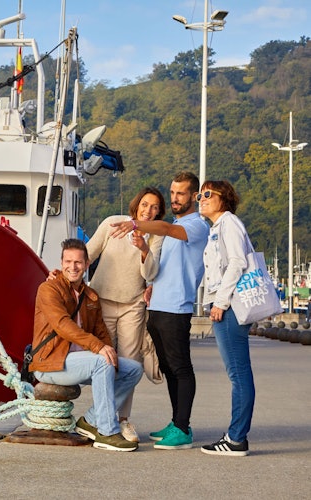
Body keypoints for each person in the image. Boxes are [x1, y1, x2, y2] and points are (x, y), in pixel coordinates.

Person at [110, 171, 209, 450]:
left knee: (181, 367)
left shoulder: (196, 225)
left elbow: (164, 229)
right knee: (167, 367)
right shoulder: (177, 223)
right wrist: (152, 284)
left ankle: (183, 428)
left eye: (181, 193)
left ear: (194, 196)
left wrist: (134, 223)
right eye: (173, 192)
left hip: (177, 308)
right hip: (158, 306)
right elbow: (162, 265)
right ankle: (177, 422)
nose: (175, 198)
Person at [29, 238, 144, 452]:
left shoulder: (90, 296)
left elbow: (101, 332)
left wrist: (110, 354)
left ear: (87, 264)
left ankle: (90, 421)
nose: (72, 267)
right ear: (61, 262)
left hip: (81, 363)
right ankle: (107, 432)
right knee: (101, 360)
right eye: (68, 261)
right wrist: (98, 349)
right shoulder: (49, 289)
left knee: (133, 370)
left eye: (78, 262)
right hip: (51, 362)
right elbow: (62, 324)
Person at [86, 187, 165, 442]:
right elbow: (89, 253)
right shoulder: (112, 223)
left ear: (159, 212)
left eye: (154, 207)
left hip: (133, 305)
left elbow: (150, 274)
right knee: (105, 362)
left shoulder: (157, 235)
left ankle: (123, 419)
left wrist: (144, 248)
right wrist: (65, 274)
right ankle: (101, 418)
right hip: (102, 301)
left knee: (131, 364)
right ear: (137, 205)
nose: (148, 210)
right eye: (145, 204)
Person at [198, 180, 256, 456]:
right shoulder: (218, 227)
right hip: (226, 305)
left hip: (231, 307)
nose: (201, 198)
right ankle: (235, 436)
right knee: (238, 373)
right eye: (200, 194)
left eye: (208, 194)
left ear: (225, 199)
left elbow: (237, 262)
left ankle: (236, 438)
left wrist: (220, 303)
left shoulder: (229, 223)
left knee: (238, 373)